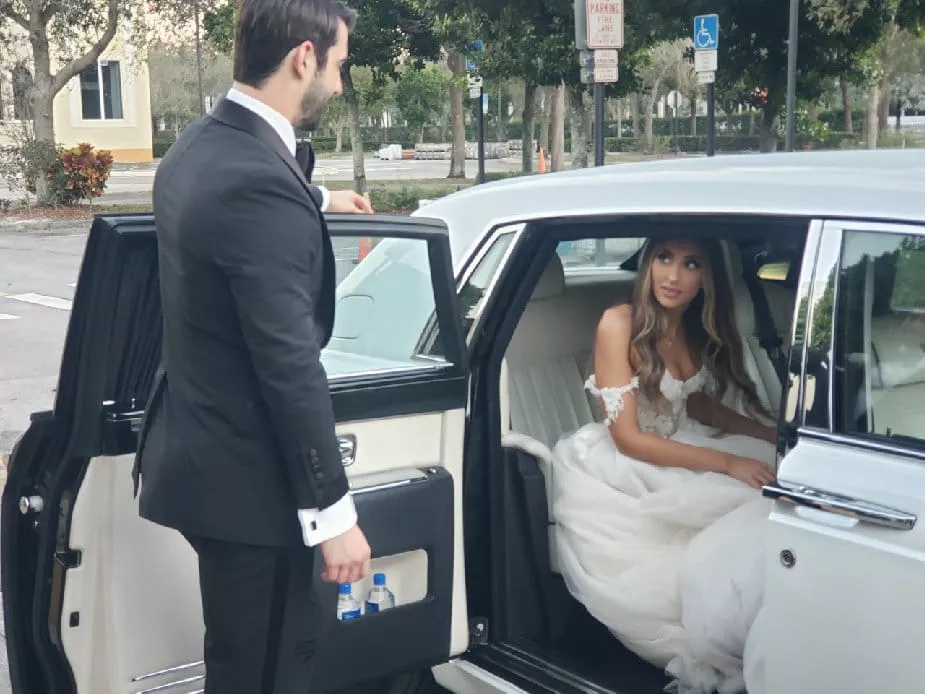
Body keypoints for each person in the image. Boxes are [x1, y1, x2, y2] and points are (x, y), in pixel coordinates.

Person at [132, 1, 373, 692]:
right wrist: (333, 514)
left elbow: (243, 210)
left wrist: (318, 199)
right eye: (337, 65)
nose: (338, 81)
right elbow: (289, 365)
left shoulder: (199, 146)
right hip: (254, 492)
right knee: (265, 674)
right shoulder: (254, 185)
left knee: (239, 660)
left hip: (202, 460)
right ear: (303, 57)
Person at [550, 237, 776, 694]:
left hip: (681, 444)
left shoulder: (693, 326)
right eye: (663, 258)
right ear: (648, 263)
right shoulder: (618, 323)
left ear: (706, 277)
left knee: (778, 475)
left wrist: (774, 435)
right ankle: (735, 631)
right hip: (627, 459)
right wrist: (727, 461)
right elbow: (629, 439)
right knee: (746, 496)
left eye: (691, 263)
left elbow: (702, 409)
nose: (673, 276)